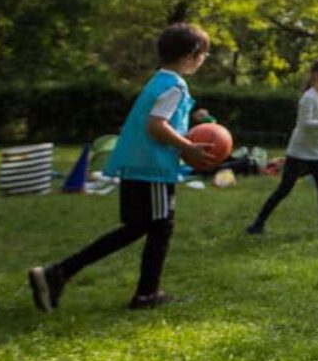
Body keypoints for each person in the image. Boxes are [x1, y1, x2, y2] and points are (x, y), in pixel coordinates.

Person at [27, 24, 219, 312]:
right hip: (151, 168)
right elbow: (156, 126)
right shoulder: (175, 87)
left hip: (137, 165)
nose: (204, 59)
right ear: (192, 55)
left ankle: (135, 291)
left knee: (143, 227)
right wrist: (188, 147)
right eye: (204, 53)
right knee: (159, 226)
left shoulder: (158, 81)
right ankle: (68, 274)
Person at [246, 57, 318, 237]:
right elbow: (304, 124)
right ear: (317, 75)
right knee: (284, 189)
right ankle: (257, 225)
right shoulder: (309, 98)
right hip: (300, 153)